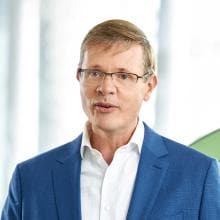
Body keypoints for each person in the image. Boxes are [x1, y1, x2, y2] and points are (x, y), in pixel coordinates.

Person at [1, 19, 220, 220]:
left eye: (124, 76)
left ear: (149, 86)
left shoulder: (197, 175)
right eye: (94, 73)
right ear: (79, 77)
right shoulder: (29, 179)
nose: (106, 88)